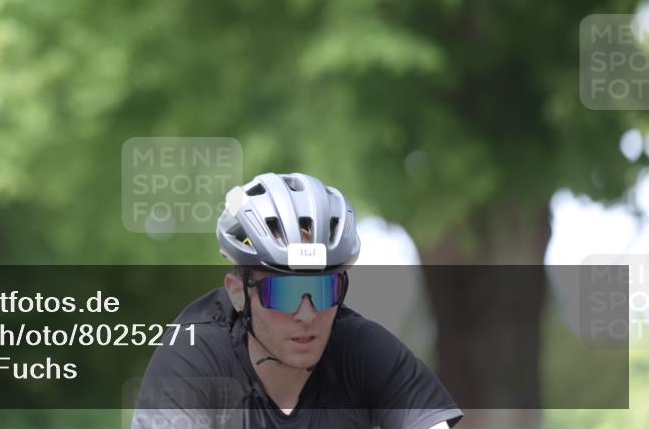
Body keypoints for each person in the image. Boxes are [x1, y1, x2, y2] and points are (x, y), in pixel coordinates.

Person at [133, 172, 464, 429]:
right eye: (284, 294)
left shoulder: (362, 348)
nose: (307, 314)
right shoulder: (193, 353)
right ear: (238, 293)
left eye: (324, 291)